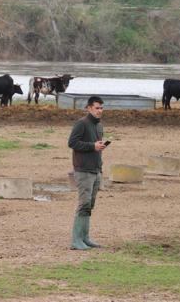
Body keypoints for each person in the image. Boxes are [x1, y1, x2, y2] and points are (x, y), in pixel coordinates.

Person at [68, 96, 107, 250]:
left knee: (89, 205)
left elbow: (96, 145)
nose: (100, 111)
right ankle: (76, 240)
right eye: (97, 108)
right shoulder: (81, 124)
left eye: (102, 108)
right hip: (83, 170)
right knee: (83, 204)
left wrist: (98, 148)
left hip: (95, 170)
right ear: (89, 108)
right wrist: (92, 146)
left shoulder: (99, 126)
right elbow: (72, 143)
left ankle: (85, 237)